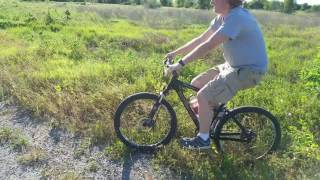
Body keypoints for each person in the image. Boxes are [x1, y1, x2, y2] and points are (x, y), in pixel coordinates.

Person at [165, 0, 268, 150]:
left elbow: (209, 45)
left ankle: (203, 140)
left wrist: (180, 64)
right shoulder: (222, 17)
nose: (211, 1)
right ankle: (214, 118)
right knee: (197, 83)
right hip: (234, 66)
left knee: (203, 97)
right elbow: (201, 39)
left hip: (249, 70)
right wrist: (174, 53)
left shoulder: (237, 17)